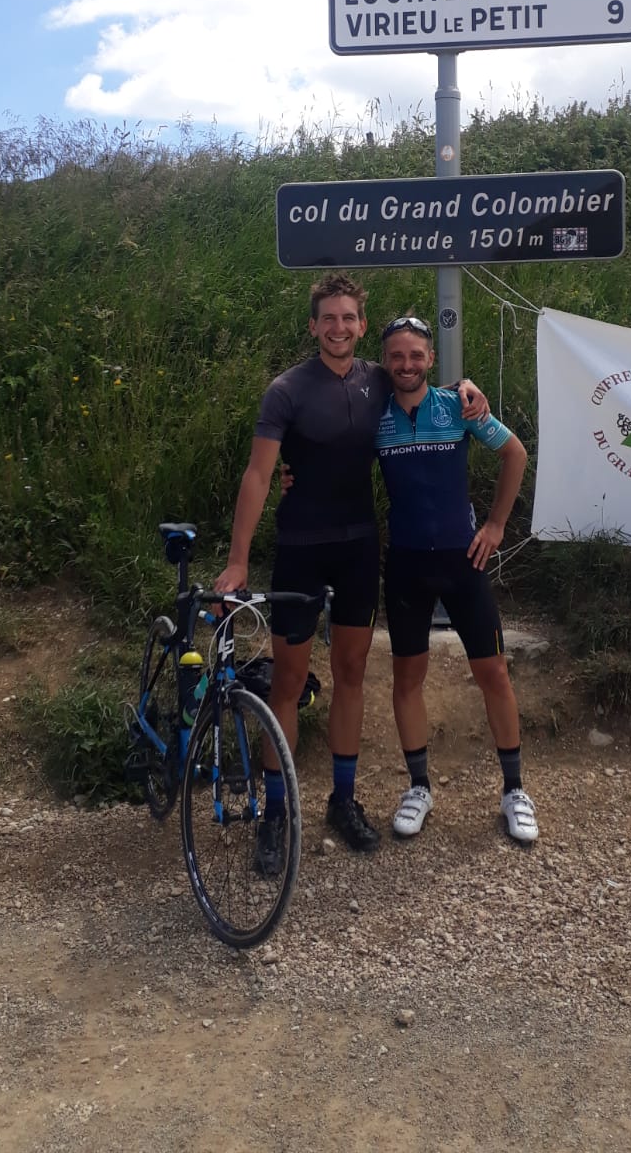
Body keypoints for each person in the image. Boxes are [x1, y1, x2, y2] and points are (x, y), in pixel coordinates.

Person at [214, 273, 488, 867]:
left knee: (352, 674)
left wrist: (470, 391)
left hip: (361, 547)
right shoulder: (286, 390)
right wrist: (238, 560)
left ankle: (343, 799)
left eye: (349, 318)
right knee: (287, 683)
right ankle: (276, 813)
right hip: (301, 548)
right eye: (327, 318)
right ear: (313, 326)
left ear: (362, 325)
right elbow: (260, 475)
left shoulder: (380, 380)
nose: (339, 328)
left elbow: (427, 386)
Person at [374, 313, 538, 845]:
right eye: (396, 356)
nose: (406, 364)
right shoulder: (373, 415)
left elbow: (515, 453)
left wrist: (495, 525)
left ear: (430, 359)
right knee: (407, 680)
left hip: (462, 562)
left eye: (416, 355)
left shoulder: (460, 405)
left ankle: (514, 790)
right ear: (385, 361)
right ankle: (419, 786)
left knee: (493, 673)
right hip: (405, 564)